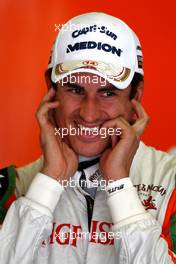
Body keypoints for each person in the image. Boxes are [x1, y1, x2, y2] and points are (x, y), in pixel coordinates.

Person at [0, 12, 176, 263]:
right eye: (75, 89)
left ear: (136, 95)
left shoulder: (171, 182)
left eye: (107, 92)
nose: (89, 113)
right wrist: (49, 183)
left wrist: (119, 187)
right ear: (51, 90)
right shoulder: (9, 187)